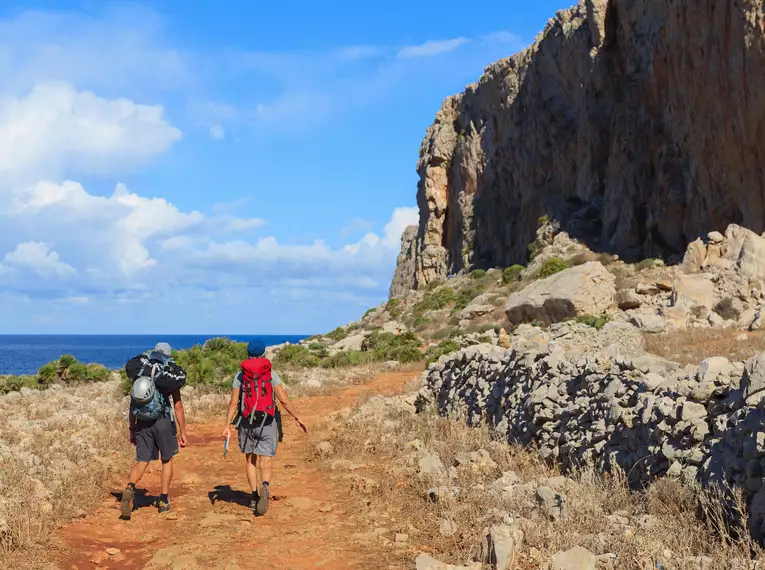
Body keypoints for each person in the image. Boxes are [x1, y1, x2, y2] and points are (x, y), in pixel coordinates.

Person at [222, 340, 307, 515]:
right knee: (265, 461)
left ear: (247, 354)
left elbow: (233, 403)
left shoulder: (240, 376)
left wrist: (227, 425)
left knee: (250, 460)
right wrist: (297, 417)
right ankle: (265, 486)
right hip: (267, 422)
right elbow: (283, 399)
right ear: (263, 355)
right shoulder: (271, 374)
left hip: (246, 423)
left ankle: (254, 497)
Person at [120, 342, 188, 519]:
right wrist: (183, 432)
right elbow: (178, 406)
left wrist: (132, 428)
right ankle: (164, 500)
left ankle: (130, 487)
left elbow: (133, 403)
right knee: (167, 459)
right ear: (168, 355)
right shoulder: (168, 375)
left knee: (142, 461)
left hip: (142, 421)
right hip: (163, 421)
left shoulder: (141, 371)